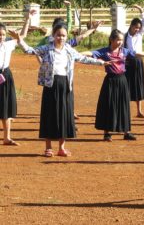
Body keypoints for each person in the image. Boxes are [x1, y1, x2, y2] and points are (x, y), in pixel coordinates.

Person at [12, 23, 107, 157]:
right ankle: (48, 147)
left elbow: (83, 58)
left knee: (64, 115)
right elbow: (29, 51)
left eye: (63, 36)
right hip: (50, 85)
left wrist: (101, 63)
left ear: (66, 37)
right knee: (49, 115)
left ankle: (61, 147)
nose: (61, 38)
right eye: (58, 35)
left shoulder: (69, 49)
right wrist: (19, 40)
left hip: (65, 85)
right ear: (53, 36)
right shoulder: (46, 48)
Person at [84, 29, 144, 142]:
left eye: (122, 40)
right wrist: (75, 53)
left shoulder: (124, 51)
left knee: (123, 106)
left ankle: (126, 132)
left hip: (123, 81)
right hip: (110, 81)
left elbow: (137, 53)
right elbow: (91, 53)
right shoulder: (105, 51)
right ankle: (107, 133)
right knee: (108, 106)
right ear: (111, 40)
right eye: (118, 39)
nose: (120, 42)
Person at [0, 10, 33, 146]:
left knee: (5, 107)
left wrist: (27, 20)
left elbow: (22, 36)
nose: (0, 37)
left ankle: (7, 138)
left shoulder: (9, 44)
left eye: (2, 34)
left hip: (5, 76)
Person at [124, 5, 144, 118]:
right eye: (136, 27)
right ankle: (126, 110)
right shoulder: (124, 36)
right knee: (127, 85)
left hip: (138, 61)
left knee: (138, 85)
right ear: (131, 26)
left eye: (139, 28)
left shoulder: (140, 34)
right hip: (128, 62)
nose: (137, 29)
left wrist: (140, 9)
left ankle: (139, 111)